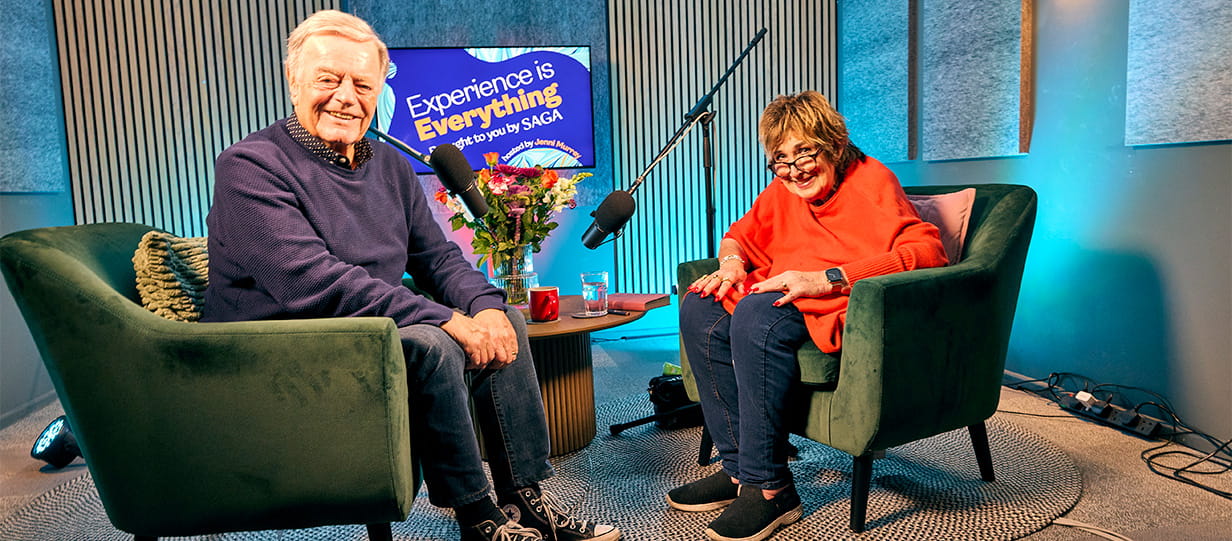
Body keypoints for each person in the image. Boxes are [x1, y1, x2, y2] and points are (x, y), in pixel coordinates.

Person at [201, 10, 620, 541]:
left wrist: (485, 306)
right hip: (282, 345)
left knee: (505, 319)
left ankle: (524, 499)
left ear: (378, 91)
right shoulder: (249, 166)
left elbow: (437, 258)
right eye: (328, 80)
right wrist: (447, 319)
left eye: (362, 84)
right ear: (293, 81)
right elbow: (312, 282)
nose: (345, 97)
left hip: (365, 328)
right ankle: (478, 517)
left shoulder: (390, 166)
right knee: (432, 341)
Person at [667, 91, 948, 541]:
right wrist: (731, 264)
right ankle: (738, 469)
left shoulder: (873, 181)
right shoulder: (784, 190)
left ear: (834, 144)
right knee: (699, 306)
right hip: (789, 288)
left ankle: (771, 488)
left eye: (805, 153)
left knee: (755, 314)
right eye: (781, 159)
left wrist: (828, 279)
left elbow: (928, 251)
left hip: (840, 300)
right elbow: (738, 235)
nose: (794, 170)